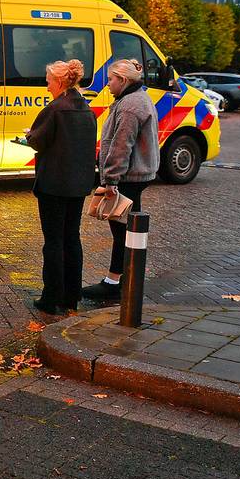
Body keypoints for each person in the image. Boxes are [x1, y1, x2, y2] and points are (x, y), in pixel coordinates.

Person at [82, 58, 159, 300]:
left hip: (128, 176)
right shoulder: (136, 99)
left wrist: (111, 180)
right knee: (127, 230)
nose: (107, 85)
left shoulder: (129, 106)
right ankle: (126, 278)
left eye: (111, 79)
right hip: (135, 173)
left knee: (122, 230)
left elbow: (121, 145)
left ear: (123, 80)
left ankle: (115, 282)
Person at [26, 60, 97, 314]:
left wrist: (29, 135)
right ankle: (71, 295)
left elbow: (37, 139)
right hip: (78, 185)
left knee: (53, 241)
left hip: (54, 184)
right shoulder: (86, 109)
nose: (46, 87)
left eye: (48, 81)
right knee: (72, 238)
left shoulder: (54, 109)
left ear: (58, 82)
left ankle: (51, 297)